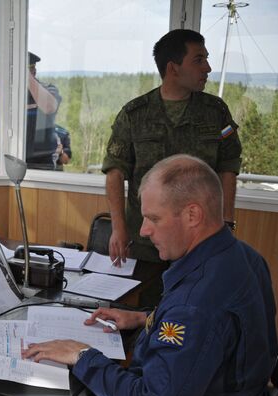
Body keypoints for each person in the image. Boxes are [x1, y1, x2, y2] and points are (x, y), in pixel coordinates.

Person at [22, 154, 278, 396]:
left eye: (153, 218)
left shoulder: (196, 303)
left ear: (192, 215)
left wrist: (82, 355)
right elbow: (217, 333)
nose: (142, 230)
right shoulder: (243, 258)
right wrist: (144, 319)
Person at [103, 29, 242, 266]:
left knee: (198, 301)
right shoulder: (134, 114)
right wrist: (118, 228)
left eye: (206, 59)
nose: (207, 67)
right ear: (173, 68)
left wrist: (226, 221)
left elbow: (228, 166)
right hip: (148, 241)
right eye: (199, 60)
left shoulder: (216, 112)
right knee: (143, 302)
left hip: (199, 241)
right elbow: (115, 172)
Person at [25, 52, 62, 170]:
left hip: (40, 162)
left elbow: (49, 107)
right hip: (14, 160)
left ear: (33, 72)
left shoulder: (48, 89)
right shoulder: (12, 94)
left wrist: (26, 76)